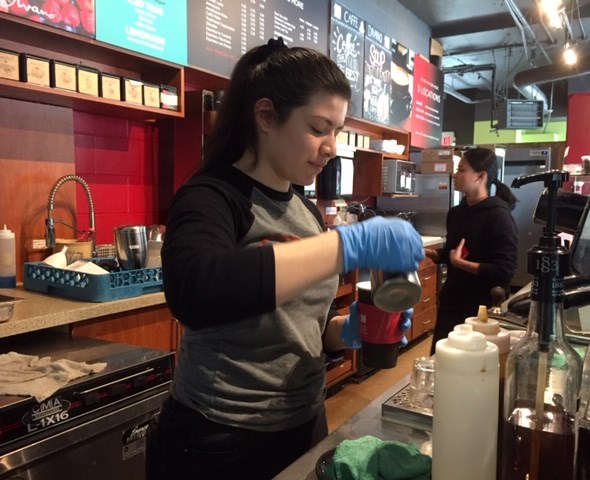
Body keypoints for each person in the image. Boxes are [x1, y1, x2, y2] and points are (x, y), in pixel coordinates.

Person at [146, 37, 425, 480]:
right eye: (318, 128)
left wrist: (347, 331)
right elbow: (194, 290)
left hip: (303, 422)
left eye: (336, 130)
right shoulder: (212, 196)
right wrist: (347, 245)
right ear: (265, 116)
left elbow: (297, 328)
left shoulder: (303, 210)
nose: (331, 146)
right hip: (220, 439)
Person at [427, 147, 518, 355]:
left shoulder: (499, 217)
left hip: (482, 312)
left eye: (461, 170)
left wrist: (463, 265)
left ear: (481, 176)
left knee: (472, 368)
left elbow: (504, 271)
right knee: (441, 359)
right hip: (452, 302)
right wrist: (433, 254)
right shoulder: (457, 213)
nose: (454, 175)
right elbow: (453, 252)